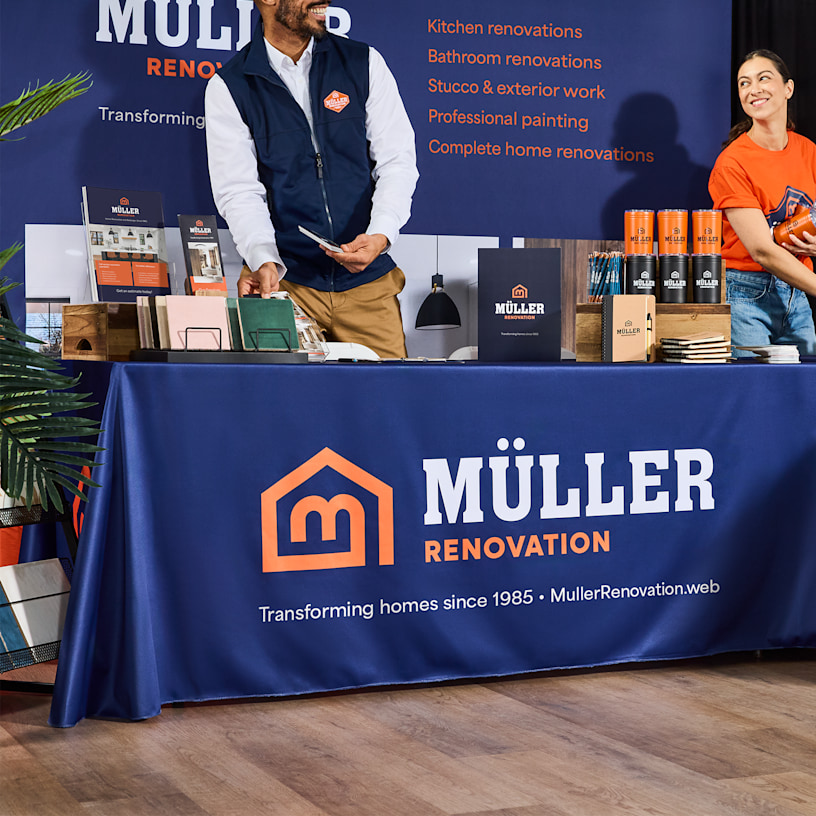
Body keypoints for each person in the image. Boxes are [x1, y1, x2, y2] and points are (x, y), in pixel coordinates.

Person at [204, 0, 418, 358]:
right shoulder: (230, 86)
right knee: (287, 409)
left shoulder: (363, 62)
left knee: (387, 405)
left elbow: (397, 162)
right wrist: (262, 257)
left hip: (369, 286)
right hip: (288, 286)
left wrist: (380, 234)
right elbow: (238, 192)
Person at [709, 49, 816, 357]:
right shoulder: (732, 162)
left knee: (805, 394)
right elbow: (761, 249)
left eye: (763, 78)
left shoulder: (808, 151)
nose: (753, 89)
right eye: (744, 83)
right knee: (756, 393)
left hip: (797, 291)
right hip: (745, 294)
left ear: (788, 88)